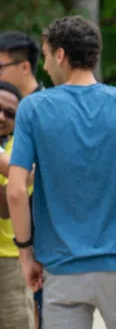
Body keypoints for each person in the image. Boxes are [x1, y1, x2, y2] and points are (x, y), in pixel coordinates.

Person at [7, 16, 116, 329]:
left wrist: (25, 255)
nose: (45, 66)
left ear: (60, 55)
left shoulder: (33, 109)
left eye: (47, 56)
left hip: (61, 268)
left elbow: (16, 190)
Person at [0, 81, 34, 329]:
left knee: (16, 323)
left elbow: (4, 207)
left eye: (10, 114)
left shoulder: (21, 147)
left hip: (9, 261)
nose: (1, 117)